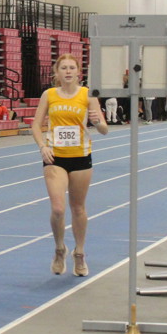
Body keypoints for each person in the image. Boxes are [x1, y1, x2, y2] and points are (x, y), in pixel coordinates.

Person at [31, 54, 108, 277]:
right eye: (63, 68)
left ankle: (80, 253)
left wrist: (97, 122)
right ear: (56, 72)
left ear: (78, 72)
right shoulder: (49, 95)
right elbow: (36, 125)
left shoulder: (88, 95)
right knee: (58, 209)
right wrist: (42, 146)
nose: (67, 71)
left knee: (78, 208)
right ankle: (59, 248)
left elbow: (104, 129)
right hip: (55, 157)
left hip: (81, 157)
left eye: (71, 68)